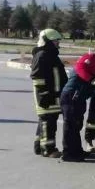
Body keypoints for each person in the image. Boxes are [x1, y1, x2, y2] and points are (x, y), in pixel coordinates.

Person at [31, 29, 68, 158]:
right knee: (48, 122)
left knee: (46, 121)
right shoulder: (42, 55)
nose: (58, 43)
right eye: (55, 41)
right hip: (46, 97)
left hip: (53, 96)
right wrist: (44, 94)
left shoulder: (49, 54)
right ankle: (48, 149)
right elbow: (37, 77)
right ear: (48, 41)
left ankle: (38, 146)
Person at [60, 52, 95, 162]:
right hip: (72, 95)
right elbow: (80, 68)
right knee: (70, 125)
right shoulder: (91, 58)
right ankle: (69, 154)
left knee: (76, 125)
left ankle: (77, 151)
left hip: (78, 97)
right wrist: (92, 80)